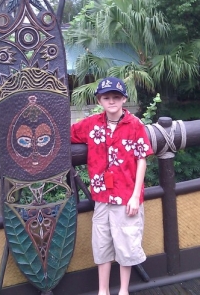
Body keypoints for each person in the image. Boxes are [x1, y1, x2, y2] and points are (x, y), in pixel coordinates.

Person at [71, 77, 153, 295]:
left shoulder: (135, 125)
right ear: (99, 100)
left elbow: (142, 158)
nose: (112, 101)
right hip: (101, 197)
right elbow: (65, 134)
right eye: (106, 97)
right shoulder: (91, 124)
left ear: (124, 98)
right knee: (102, 244)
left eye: (116, 97)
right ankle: (103, 290)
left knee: (126, 244)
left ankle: (123, 290)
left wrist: (136, 196)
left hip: (127, 196)